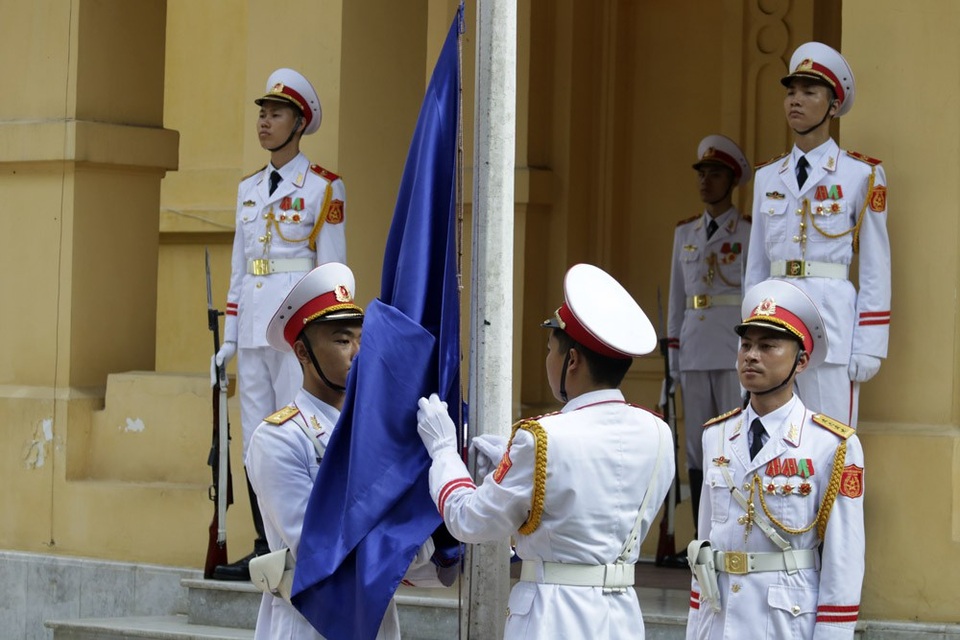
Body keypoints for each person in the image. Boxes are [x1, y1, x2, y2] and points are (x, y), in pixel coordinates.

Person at [416, 263, 675, 639]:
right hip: (621, 617)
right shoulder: (658, 431)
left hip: (553, 617)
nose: (549, 359)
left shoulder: (542, 438)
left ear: (572, 361)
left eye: (552, 349)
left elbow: (468, 520)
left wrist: (442, 452)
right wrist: (513, 458)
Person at [247, 262, 450, 640]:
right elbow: (322, 544)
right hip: (308, 623)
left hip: (374, 620)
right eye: (342, 341)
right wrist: (419, 540)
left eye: (363, 340)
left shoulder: (379, 435)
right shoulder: (279, 439)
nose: (358, 353)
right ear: (303, 353)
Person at [211, 67, 348, 580]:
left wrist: (328, 339)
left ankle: (308, 537)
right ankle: (264, 544)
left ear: (299, 122)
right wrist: (227, 339)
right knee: (255, 441)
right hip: (250, 332)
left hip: (298, 336)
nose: (265, 122)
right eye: (262, 113)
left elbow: (333, 274)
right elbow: (240, 269)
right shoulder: (248, 189)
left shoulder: (323, 188)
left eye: (276, 114)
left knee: (303, 430)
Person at [686, 279, 865, 639]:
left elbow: (842, 561)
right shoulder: (716, 436)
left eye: (768, 346)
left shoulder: (831, 444)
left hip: (785, 623)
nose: (751, 355)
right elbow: (704, 543)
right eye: (746, 345)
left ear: (801, 362)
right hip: (719, 619)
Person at [745, 41, 890, 428]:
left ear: (832, 106)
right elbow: (756, 265)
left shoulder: (862, 175)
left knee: (831, 437)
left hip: (833, 325)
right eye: (791, 91)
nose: (795, 100)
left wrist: (871, 344)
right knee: (773, 437)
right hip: (775, 320)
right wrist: (747, 337)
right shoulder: (766, 177)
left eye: (809, 92)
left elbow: (876, 263)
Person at [667, 134, 752, 542]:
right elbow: (676, 298)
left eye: (715, 174)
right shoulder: (685, 233)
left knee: (734, 441)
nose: (705, 182)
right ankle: (702, 537)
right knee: (698, 448)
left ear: (731, 181)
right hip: (694, 348)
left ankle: (734, 531)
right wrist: (672, 354)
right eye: (702, 174)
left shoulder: (749, 231)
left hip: (734, 347)